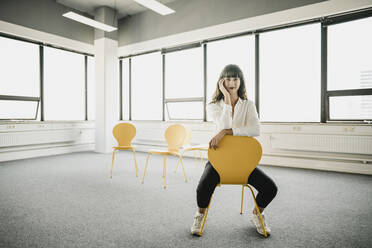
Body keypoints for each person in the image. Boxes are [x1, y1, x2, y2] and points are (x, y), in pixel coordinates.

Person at [191, 64, 278, 237]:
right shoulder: (213, 106)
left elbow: (255, 130)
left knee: (270, 188)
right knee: (202, 188)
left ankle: (257, 214)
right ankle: (200, 215)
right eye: (228, 78)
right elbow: (223, 123)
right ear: (222, 82)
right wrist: (227, 99)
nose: (232, 82)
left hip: (242, 161)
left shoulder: (248, 105)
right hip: (219, 160)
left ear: (241, 81)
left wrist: (225, 132)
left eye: (235, 78)